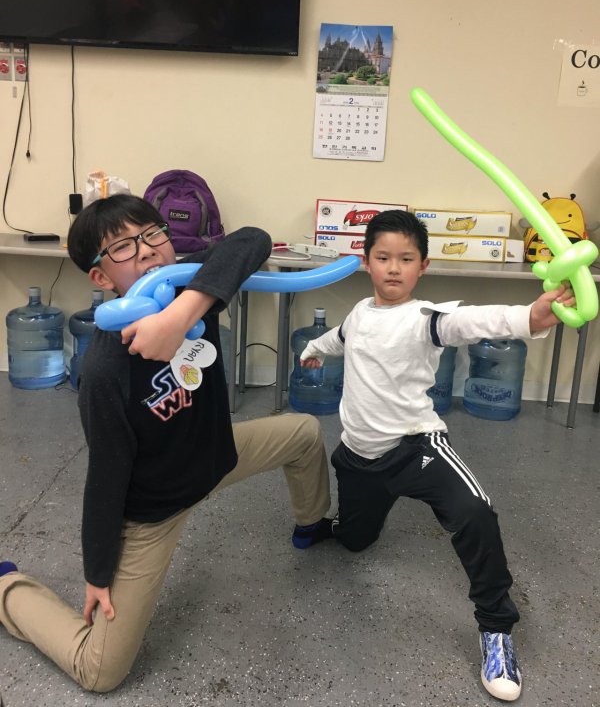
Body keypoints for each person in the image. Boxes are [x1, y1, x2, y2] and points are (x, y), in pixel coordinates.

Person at [0, 194, 332, 692]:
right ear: (101, 277)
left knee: (303, 432)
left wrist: (180, 317)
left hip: (218, 457)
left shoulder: (194, 288)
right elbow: (105, 478)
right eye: (123, 246)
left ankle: (314, 525)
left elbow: (253, 240)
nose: (147, 249)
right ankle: (7, 588)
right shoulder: (104, 370)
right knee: (100, 671)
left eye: (153, 233)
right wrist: (97, 573)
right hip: (154, 511)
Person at [300, 209, 575, 703]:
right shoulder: (359, 314)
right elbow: (338, 338)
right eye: (383, 257)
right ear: (366, 261)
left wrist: (529, 318)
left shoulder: (425, 319)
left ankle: (496, 629)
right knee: (356, 542)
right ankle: (339, 526)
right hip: (358, 454)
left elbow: (470, 321)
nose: (393, 268)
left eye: (406, 259)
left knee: (475, 511)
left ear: (423, 267)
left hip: (414, 448)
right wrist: (313, 351)